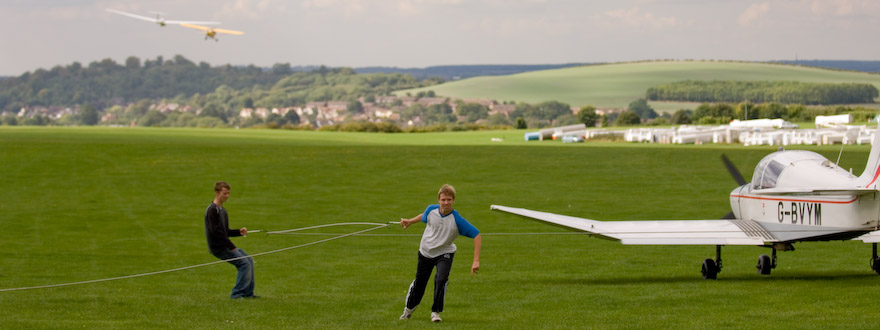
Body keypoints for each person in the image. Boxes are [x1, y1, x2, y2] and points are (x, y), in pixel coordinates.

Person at [398, 184, 482, 322]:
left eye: (449, 200)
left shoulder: (457, 220)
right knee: (420, 283)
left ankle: (435, 312)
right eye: (443, 199)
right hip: (425, 252)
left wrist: (476, 260)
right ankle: (408, 310)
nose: (446, 203)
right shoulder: (431, 210)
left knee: (441, 279)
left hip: (445, 253)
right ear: (438, 200)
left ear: (453, 200)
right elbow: (424, 217)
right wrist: (410, 221)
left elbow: (477, 235)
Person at [204, 181, 257, 299]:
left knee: (249, 260)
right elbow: (215, 233)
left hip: (225, 245)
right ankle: (237, 294)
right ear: (217, 193)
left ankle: (248, 293)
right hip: (219, 247)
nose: (227, 196)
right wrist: (231, 246)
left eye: (228, 193)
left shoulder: (223, 211)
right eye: (224, 193)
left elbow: (225, 231)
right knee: (244, 264)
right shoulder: (212, 210)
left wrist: (238, 232)